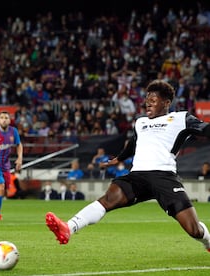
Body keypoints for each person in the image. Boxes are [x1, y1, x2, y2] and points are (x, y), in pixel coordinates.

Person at [45, 80, 210, 253]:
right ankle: (68, 228)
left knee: (193, 229)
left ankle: (207, 241)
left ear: (166, 103)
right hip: (137, 176)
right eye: (147, 100)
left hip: (164, 176)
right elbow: (133, 144)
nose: (147, 103)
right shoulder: (141, 123)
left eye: (153, 100)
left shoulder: (180, 118)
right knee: (109, 199)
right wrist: (119, 158)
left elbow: (206, 130)